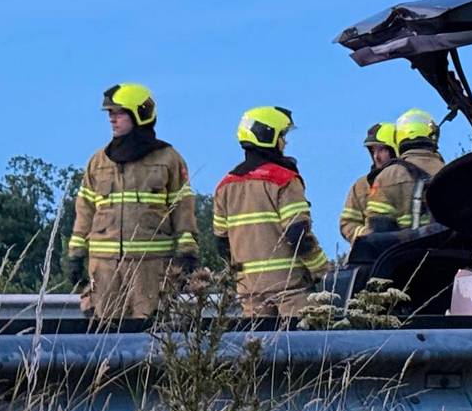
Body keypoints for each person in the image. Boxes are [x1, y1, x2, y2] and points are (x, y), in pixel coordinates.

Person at [67, 83, 198, 320]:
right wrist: (76, 254)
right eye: (110, 114)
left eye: (119, 113)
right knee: (105, 335)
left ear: (141, 113)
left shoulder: (169, 158)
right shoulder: (98, 161)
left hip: (151, 267)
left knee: (152, 336)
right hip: (104, 268)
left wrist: (187, 253)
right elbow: (84, 210)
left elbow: (183, 210)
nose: (112, 120)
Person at [213, 106, 328, 318]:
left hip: (250, 293)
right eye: (282, 135)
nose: (285, 142)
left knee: (258, 349)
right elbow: (298, 234)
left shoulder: (224, 186)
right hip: (291, 290)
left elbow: (222, 242)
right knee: (303, 348)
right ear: (268, 135)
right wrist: (323, 270)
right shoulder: (284, 180)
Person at [364, 108, 446, 232]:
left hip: (404, 251)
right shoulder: (451, 174)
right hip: (449, 250)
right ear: (433, 135)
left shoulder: (386, 177)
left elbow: (377, 231)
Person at [340, 122, 395, 243]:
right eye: (373, 151)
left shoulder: (406, 179)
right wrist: (367, 235)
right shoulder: (361, 186)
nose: (376, 156)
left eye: (381, 150)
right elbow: (347, 223)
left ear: (394, 149)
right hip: (371, 256)